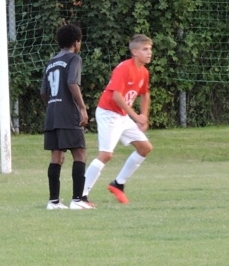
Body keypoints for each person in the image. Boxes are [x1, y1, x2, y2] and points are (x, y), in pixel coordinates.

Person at [81, 33, 154, 205]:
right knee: (106, 155)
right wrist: (135, 116)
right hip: (108, 113)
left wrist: (144, 116)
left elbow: (144, 94)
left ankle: (118, 184)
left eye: (150, 49)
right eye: (145, 49)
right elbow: (116, 96)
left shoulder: (143, 72)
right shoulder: (124, 68)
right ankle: (81, 195)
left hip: (121, 115)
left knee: (145, 148)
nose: (149, 52)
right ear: (134, 52)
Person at [39, 23, 90, 210]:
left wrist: (53, 105)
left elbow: (43, 92)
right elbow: (72, 83)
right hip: (68, 113)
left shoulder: (51, 62)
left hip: (52, 114)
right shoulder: (74, 58)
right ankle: (77, 200)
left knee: (56, 156)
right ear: (76, 42)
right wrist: (82, 108)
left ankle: (53, 202)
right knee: (80, 153)